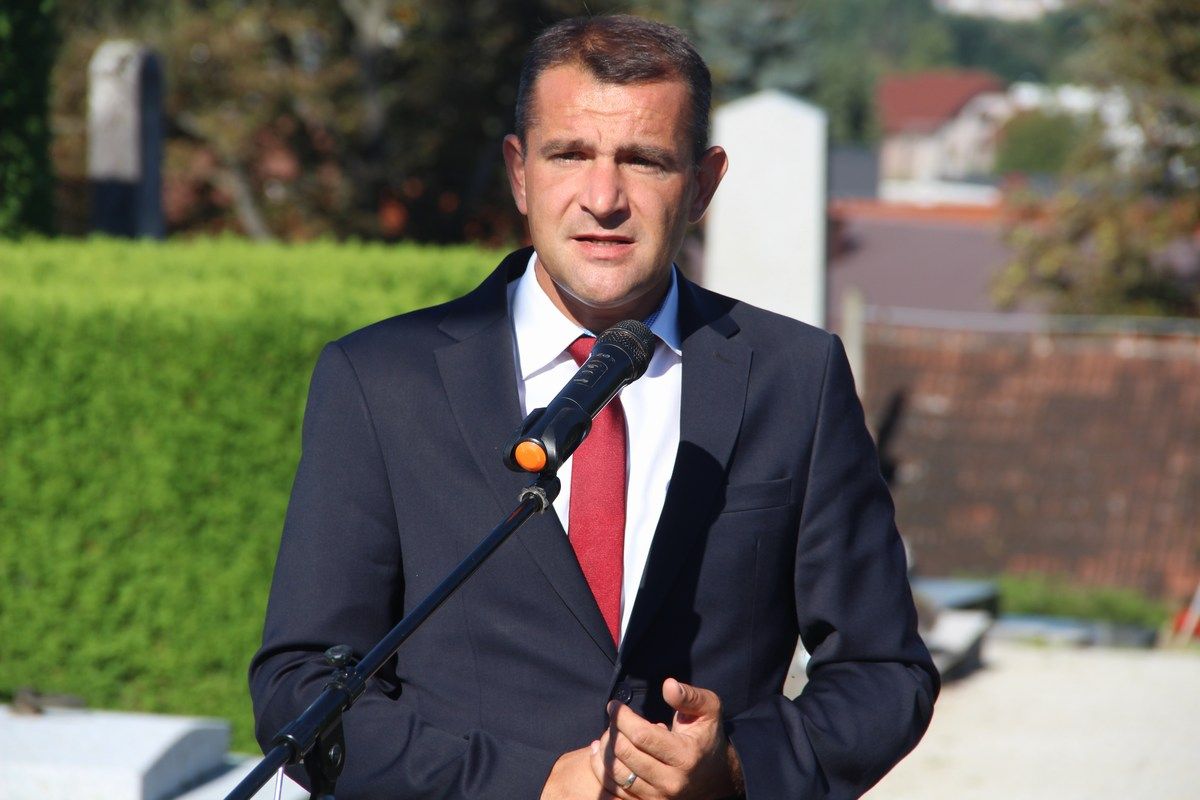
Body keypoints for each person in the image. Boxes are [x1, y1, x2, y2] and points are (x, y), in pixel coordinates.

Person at [250, 14, 937, 800]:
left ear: (703, 184)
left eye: (644, 161)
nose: (603, 199)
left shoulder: (796, 379)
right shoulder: (380, 381)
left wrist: (740, 768)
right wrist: (530, 785)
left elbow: (885, 674)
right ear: (519, 172)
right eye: (570, 154)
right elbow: (301, 687)